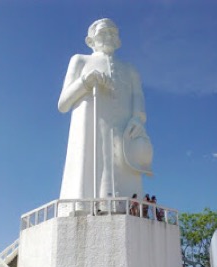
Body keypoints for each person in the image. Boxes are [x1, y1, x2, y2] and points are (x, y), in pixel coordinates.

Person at [58, 19, 153, 209]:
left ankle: (132, 208)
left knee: (127, 170)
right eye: (103, 33)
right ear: (90, 40)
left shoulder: (130, 69)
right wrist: (85, 81)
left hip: (125, 132)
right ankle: (84, 207)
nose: (109, 36)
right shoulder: (80, 60)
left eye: (113, 33)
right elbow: (63, 103)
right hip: (90, 129)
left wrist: (137, 118)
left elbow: (138, 96)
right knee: (91, 169)